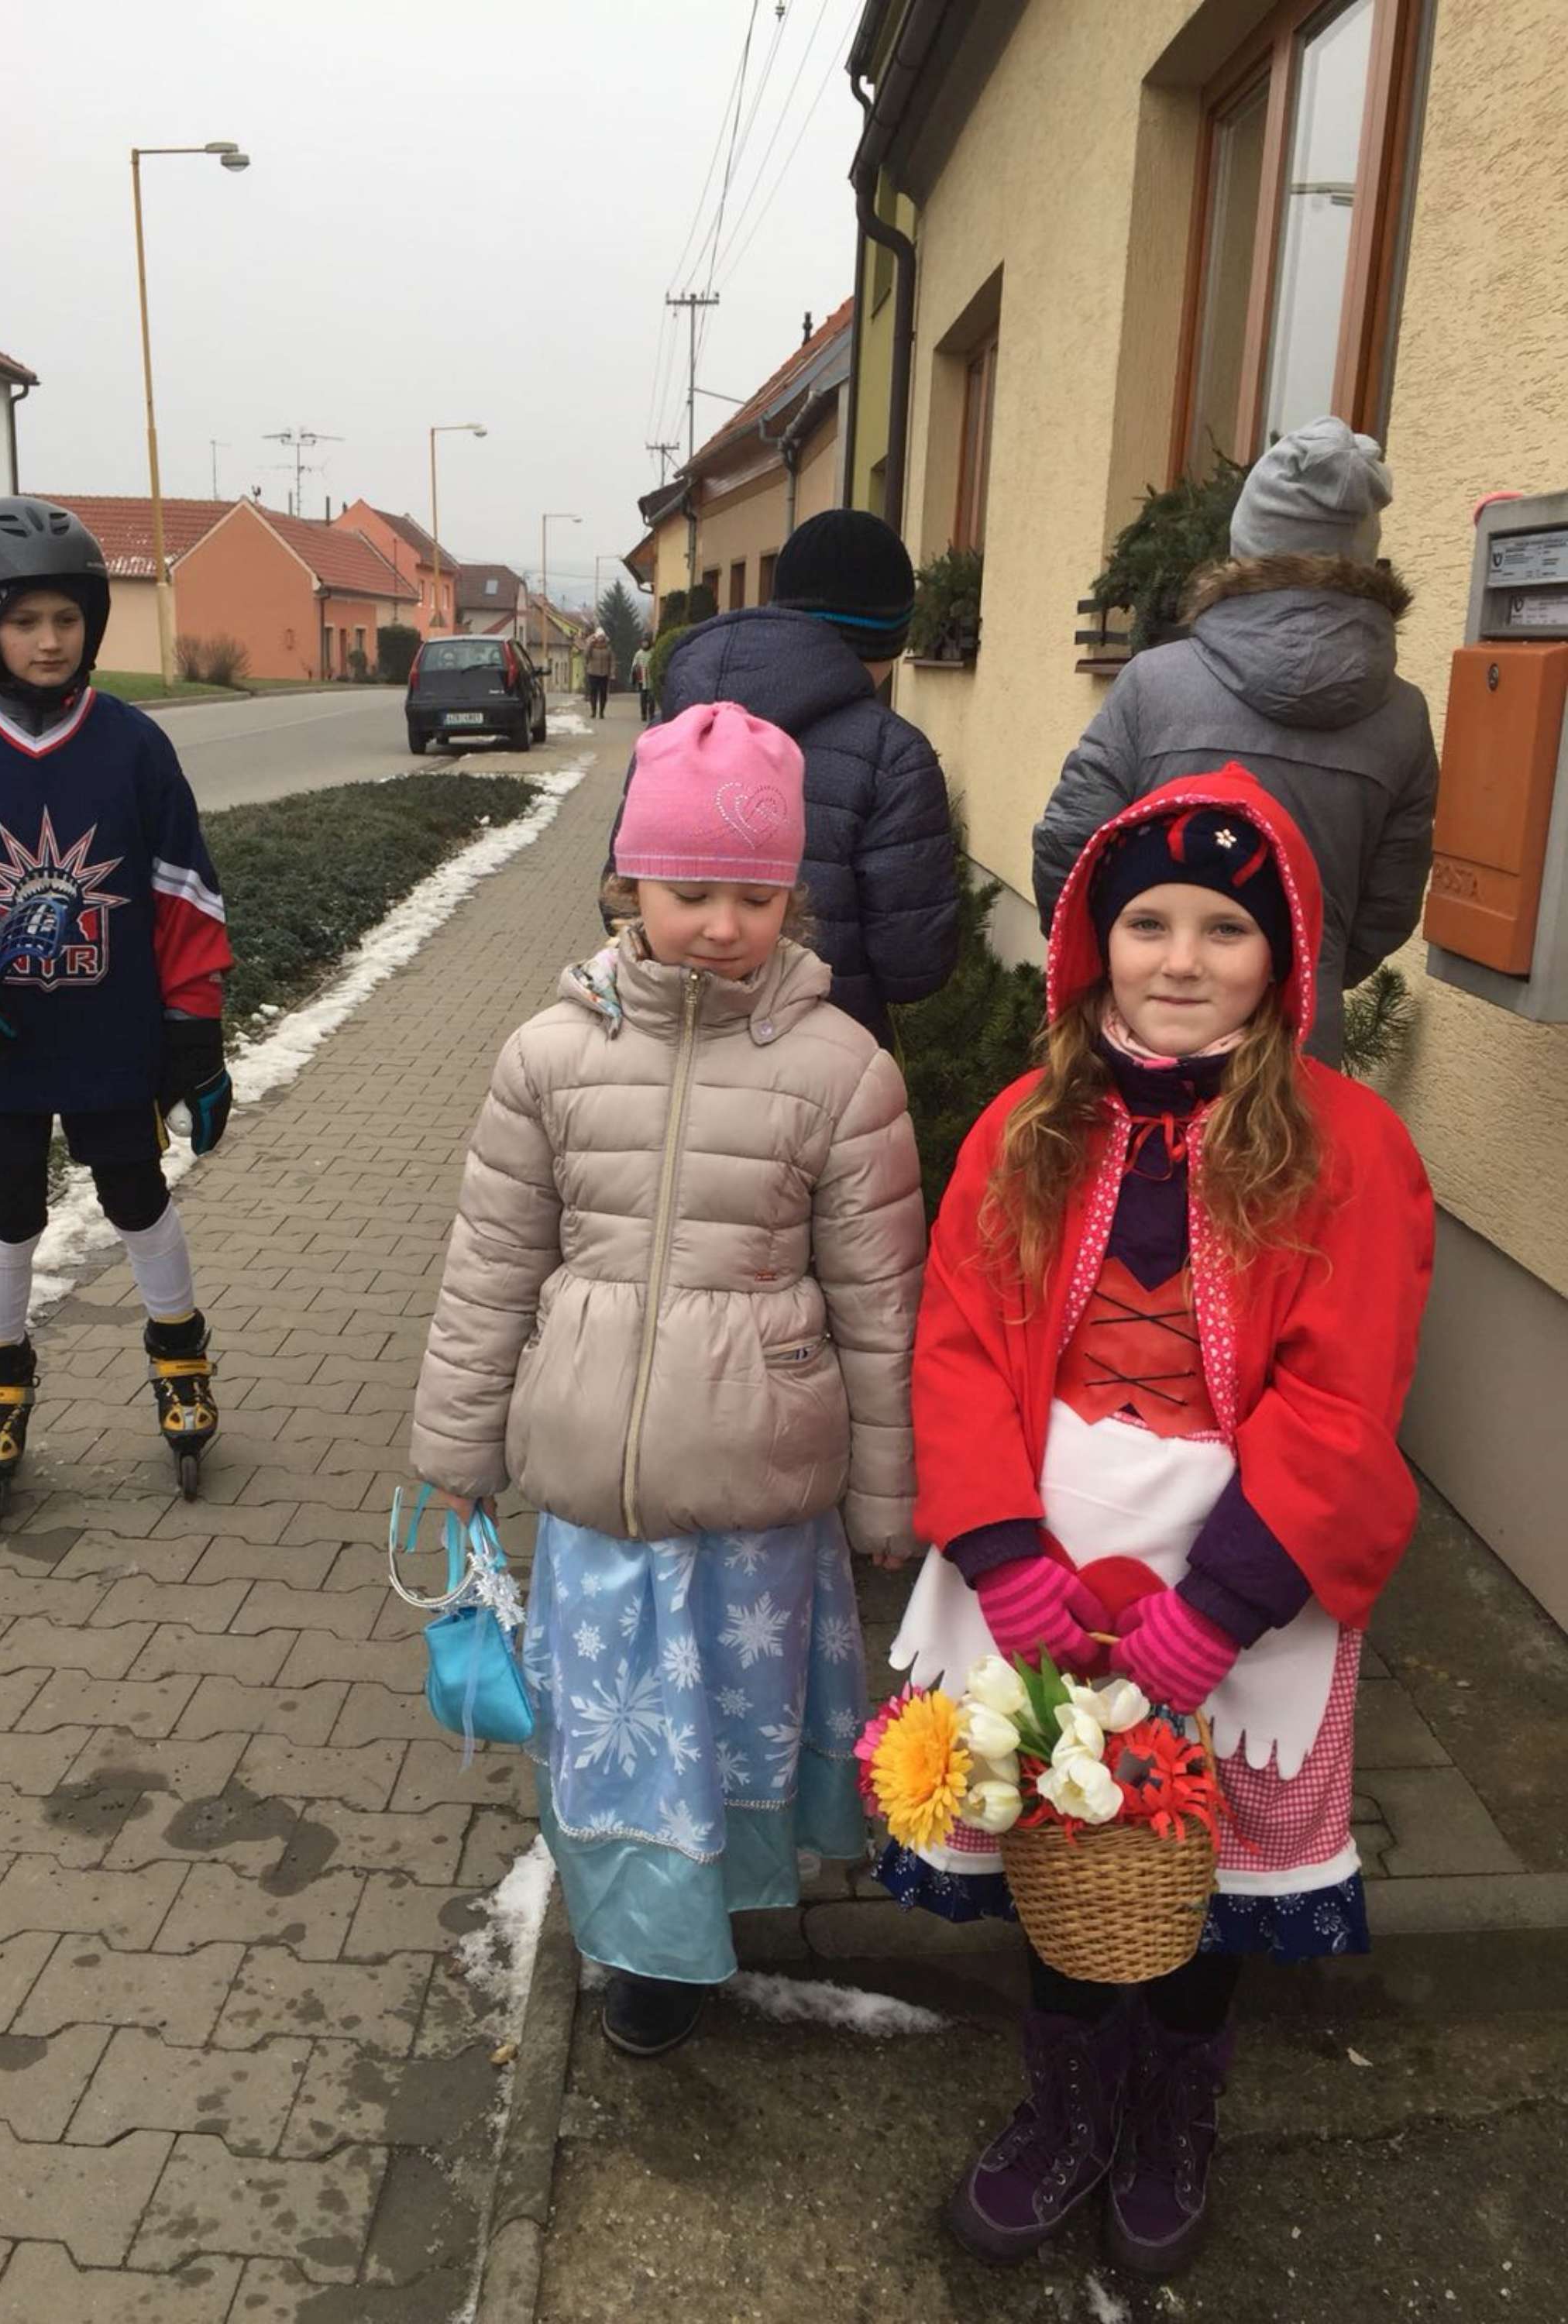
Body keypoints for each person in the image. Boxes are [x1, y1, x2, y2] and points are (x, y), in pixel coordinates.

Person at [883, 768, 1432, 2277]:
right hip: (1044, 1566)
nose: (1181, 959)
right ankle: (1066, 2106)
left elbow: (1345, 1395)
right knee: (1064, 1844)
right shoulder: (1026, 1127)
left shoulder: (1349, 1149)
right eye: (1148, 924)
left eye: (1223, 930)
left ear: (1284, 956)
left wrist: (1224, 1604)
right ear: (1095, 940)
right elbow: (959, 1343)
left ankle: (1174, 2112)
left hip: (1245, 1578)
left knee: (1206, 1872)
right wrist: (1001, 1555)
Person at [411, 700, 924, 2059]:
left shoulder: (842, 1070)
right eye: (690, 891)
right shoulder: (548, 1057)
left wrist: (887, 1493)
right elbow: (490, 1269)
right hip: (598, 1492)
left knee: (731, 1729)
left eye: (756, 896)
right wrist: (456, 1455)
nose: (721, 925)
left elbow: (880, 1304)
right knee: (621, 1738)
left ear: (793, 899)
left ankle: (725, 1908)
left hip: (759, 1492)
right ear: (627, 884)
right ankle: (649, 1947)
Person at [0, 497, 234, 1504]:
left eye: (67, 619)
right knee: (5, 1210)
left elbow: (183, 895)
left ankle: (181, 1354)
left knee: (136, 1195)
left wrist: (196, 1031)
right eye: (24, 622)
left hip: (112, 1033)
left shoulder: (132, 745)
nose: (50, 641)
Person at [1032, 416, 1439, 1064]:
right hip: (1297, 1040)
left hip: (1139, 1031)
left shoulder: (1153, 684)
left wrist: (1132, 961)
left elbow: (1068, 849)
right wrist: (1306, 968)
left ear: (1247, 543)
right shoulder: (1403, 716)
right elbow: (1387, 908)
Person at [608, 509, 958, 1048]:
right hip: (826, 1057)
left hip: (662, 1048)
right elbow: (913, 964)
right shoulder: (893, 753)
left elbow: (618, 900)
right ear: (892, 639)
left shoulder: (677, 728)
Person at [585, 627, 614, 718]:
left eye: (602, 637)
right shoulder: (591, 646)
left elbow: (612, 661)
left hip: (604, 674)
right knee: (593, 693)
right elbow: (586, 656)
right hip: (593, 673)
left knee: (603, 694)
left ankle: (601, 712)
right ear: (596, 637)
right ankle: (593, 712)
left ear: (604, 637)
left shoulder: (608, 648)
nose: (600, 638)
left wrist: (612, 672)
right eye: (599, 637)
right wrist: (590, 645)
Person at [631, 636, 654, 721]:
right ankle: (643, 714)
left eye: (646, 642)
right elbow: (634, 666)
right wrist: (633, 677)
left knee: (651, 698)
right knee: (643, 697)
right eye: (643, 642)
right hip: (642, 679)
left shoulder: (653, 652)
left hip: (651, 678)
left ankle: (651, 714)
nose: (645, 644)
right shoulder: (639, 654)